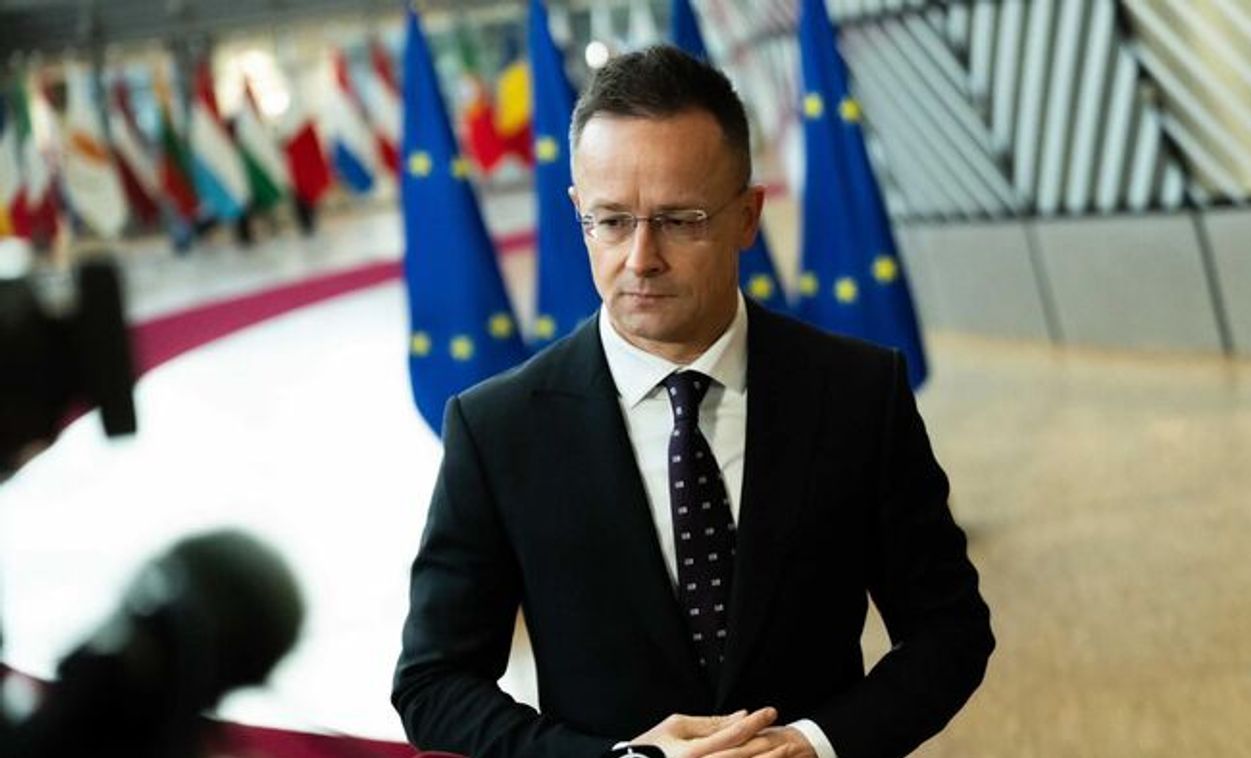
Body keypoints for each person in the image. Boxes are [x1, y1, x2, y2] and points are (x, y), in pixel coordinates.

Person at [393, 45, 993, 758]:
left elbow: (949, 630)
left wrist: (816, 743)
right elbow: (433, 683)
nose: (640, 258)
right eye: (611, 221)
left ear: (747, 216)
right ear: (577, 211)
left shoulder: (859, 392)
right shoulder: (497, 428)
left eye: (679, 220)